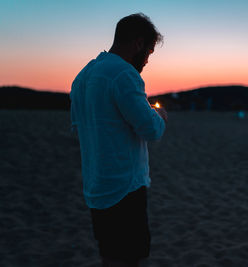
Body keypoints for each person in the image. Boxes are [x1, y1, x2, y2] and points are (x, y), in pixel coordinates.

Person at [70, 13, 167, 267]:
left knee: (110, 256)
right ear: (137, 43)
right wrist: (160, 115)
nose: (147, 59)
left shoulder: (83, 76)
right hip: (125, 188)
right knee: (134, 258)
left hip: (96, 186)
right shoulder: (123, 74)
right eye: (149, 51)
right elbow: (151, 130)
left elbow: (85, 127)